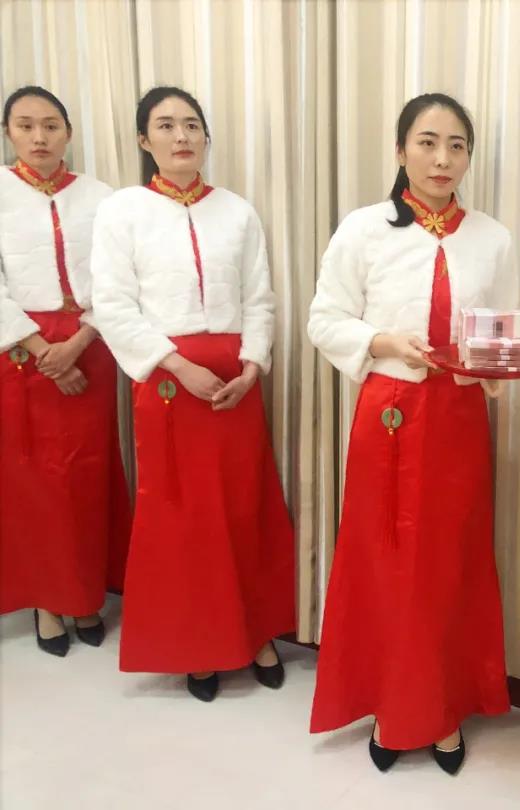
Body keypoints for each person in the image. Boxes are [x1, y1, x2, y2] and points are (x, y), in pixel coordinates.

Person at [307, 93, 517, 774]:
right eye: (427, 142)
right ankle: (391, 709)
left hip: (459, 419)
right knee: (386, 559)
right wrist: (383, 341)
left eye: (457, 145)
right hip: (390, 413)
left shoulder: (491, 237)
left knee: (450, 562)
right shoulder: (364, 229)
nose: (442, 158)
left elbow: (499, 330)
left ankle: (443, 708)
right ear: (401, 151)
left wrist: (499, 367)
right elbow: (324, 319)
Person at [90, 86, 294, 701]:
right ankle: (197, 646)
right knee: (183, 519)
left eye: (192, 125)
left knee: (244, 508)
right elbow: (114, 305)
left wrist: (253, 364)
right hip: (168, 383)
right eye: (165, 125)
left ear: (206, 137)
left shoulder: (237, 211)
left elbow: (259, 297)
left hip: (235, 383)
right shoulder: (123, 211)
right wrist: (177, 366)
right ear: (143, 140)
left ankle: (256, 633)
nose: (181, 136)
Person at [0, 86, 130, 656]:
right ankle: (46, 602)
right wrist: (38, 348)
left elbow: (118, 278)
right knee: (34, 482)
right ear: (8, 133)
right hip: (19, 352)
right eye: (26, 125)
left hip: (89, 345)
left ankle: (84, 594)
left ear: (69, 133)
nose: (39, 137)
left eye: (51, 125)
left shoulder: (101, 198)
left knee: (85, 476)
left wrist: (79, 342)